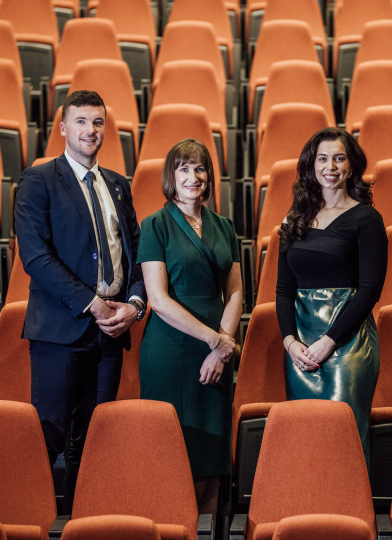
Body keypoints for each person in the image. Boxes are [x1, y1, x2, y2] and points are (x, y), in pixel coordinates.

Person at [14, 90, 146, 514]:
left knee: (92, 441)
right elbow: (35, 257)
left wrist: (135, 304)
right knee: (48, 435)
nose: (91, 130)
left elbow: (138, 254)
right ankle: (31, 520)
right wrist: (92, 303)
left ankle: (81, 521)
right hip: (61, 328)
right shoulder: (38, 180)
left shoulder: (118, 185)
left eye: (98, 122)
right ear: (63, 128)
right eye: (82, 121)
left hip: (111, 332)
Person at [138, 138, 243, 514]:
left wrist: (223, 344)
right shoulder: (154, 225)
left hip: (218, 347)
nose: (193, 176)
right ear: (171, 176)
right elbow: (160, 300)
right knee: (170, 450)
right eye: (183, 168)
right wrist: (216, 340)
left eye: (199, 168)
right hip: (170, 349)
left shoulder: (225, 226)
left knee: (211, 453)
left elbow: (235, 293)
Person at [276, 127, 388, 459]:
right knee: (305, 438)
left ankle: (351, 511)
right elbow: (284, 290)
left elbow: (370, 290)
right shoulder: (294, 220)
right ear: (312, 166)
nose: (331, 166)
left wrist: (330, 341)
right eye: (323, 158)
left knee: (344, 438)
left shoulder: (367, 219)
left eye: (339, 158)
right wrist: (289, 342)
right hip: (300, 347)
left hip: (347, 344)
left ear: (352, 165)